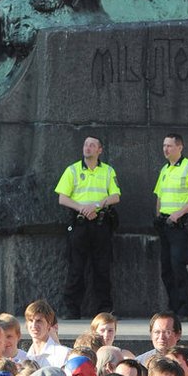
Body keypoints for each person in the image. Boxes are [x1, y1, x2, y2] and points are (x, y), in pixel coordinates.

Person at [56, 136, 121, 318]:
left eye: (92, 145)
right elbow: (62, 198)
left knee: (102, 268)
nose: (88, 148)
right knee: (76, 268)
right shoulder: (73, 170)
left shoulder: (108, 171)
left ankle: (105, 311)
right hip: (80, 224)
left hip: (101, 224)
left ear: (100, 150)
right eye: (85, 145)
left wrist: (97, 206)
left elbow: (115, 196)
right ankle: (72, 309)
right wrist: (83, 209)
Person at [153, 132, 188, 319]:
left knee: (178, 267)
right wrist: (158, 215)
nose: (165, 149)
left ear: (179, 147)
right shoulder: (165, 170)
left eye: (169, 146)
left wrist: (179, 213)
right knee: (166, 269)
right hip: (166, 225)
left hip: (181, 225)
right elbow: (159, 195)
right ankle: (173, 308)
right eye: (164, 145)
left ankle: (184, 310)